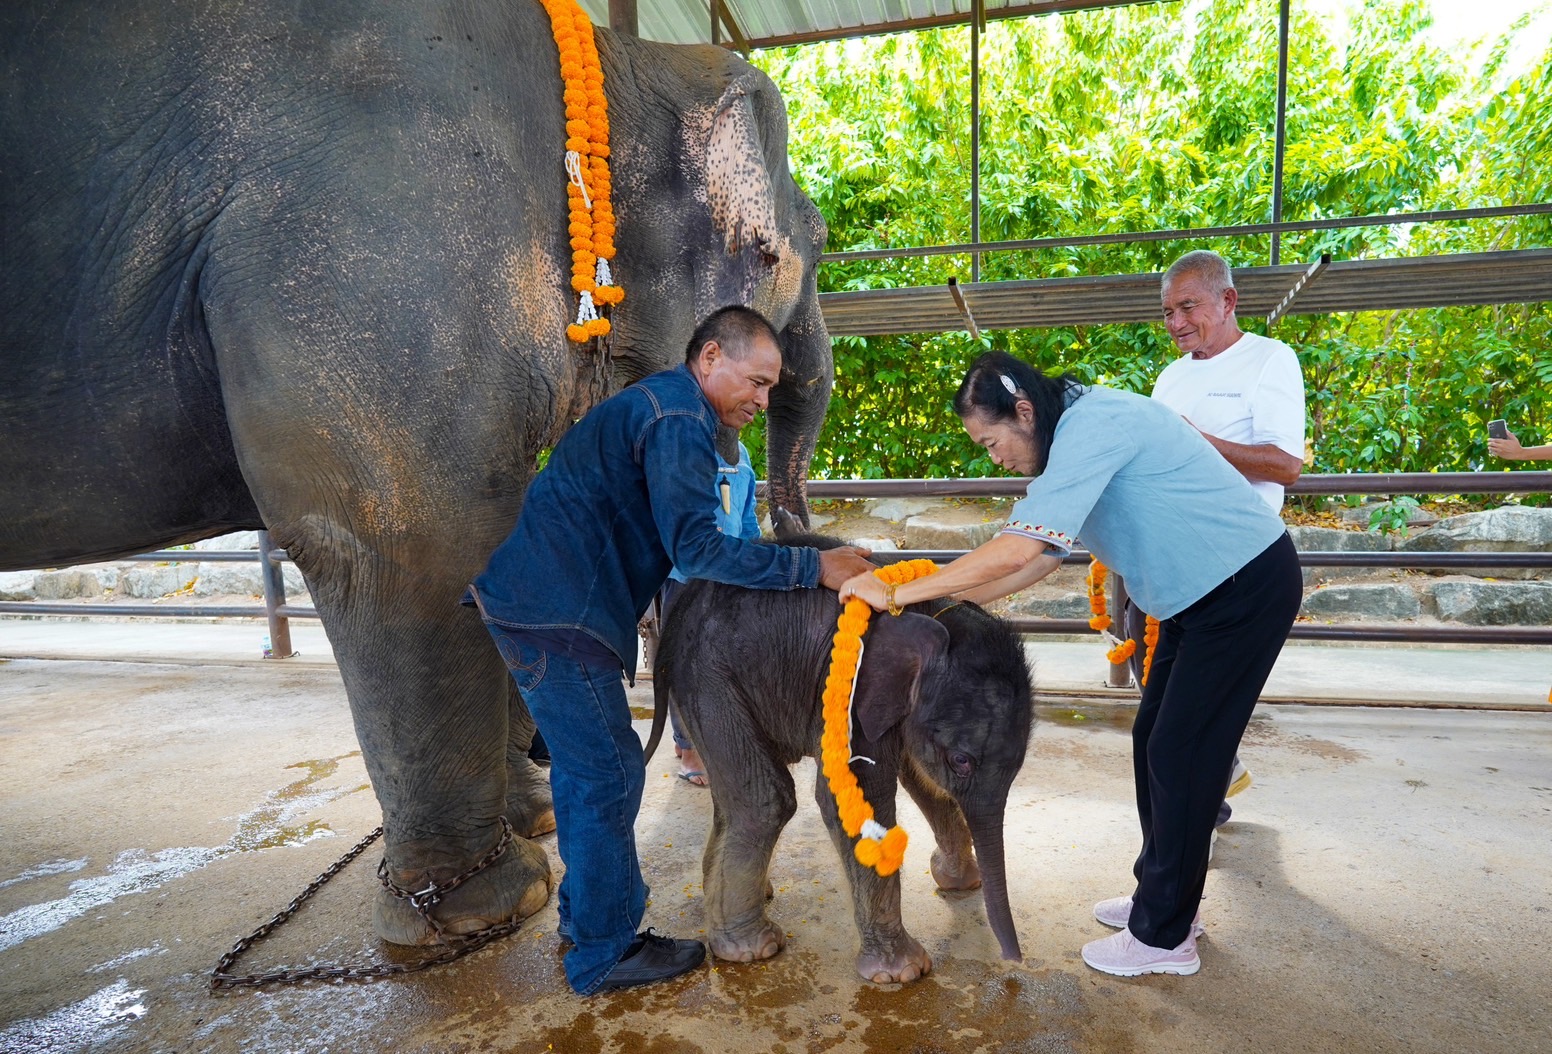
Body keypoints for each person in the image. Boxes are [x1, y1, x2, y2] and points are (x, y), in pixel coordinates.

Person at [838, 349, 1302, 977]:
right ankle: (1161, 898)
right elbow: (1039, 561)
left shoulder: (1094, 425)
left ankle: (1165, 937)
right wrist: (932, 605)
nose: (993, 456)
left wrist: (893, 593)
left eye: (992, 439)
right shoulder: (1068, 438)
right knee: (1155, 743)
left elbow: (1015, 551)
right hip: (1200, 597)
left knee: (1184, 754)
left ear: (1023, 412)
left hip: (1242, 590)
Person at [467, 305, 873, 995]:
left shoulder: (668, 407)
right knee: (607, 776)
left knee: (591, 772)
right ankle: (605, 952)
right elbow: (697, 549)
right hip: (556, 615)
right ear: (710, 358)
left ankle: (585, 921)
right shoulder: (680, 420)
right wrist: (816, 568)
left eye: (772, 389)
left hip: (544, 607)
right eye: (757, 381)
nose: (763, 399)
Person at [1133, 248, 1308, 820]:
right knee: (1160, 735)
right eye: (1166, 313)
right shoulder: (1170, 377)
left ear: (1228, 300)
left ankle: (1172, 893)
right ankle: (1180, 854)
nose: (1176, 323)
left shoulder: (1269, 360)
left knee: (1181, 740)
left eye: (1188, 307)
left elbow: (1286, 465)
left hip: (1240, 571)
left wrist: (1195, 441)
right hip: (1177, 574)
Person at [659, 439, 760, 787]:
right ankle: (689, 748)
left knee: (719, 662)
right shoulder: (682, 447)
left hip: (728, 574)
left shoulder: (741, 454)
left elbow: (746, 517)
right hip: (683, 575)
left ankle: (698, 738)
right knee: (681, 665)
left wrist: (756, 558)